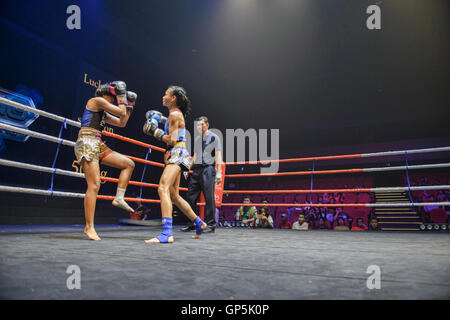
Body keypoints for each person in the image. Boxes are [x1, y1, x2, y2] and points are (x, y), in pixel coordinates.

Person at [143, 86, 207, 243]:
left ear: (173, 99)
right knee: (174, 195)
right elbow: (170, 125)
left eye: (166, 94)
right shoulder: (175, 115)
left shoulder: (174, 114)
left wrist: (155, 132)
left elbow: (171, 140)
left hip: (177, 153)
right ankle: (199, 223)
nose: (163, 96)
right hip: (179, 153)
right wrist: (158, 120)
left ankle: (166, 233)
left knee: (162, 188)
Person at [74, 81, 136, 241]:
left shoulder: (103, 110)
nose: (111, 102)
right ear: (104, 95)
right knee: (94, 184)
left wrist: (129, 106)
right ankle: (89, 227)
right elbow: (120, 112)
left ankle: (119, 197)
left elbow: (122, 122)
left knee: (128, 164)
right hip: (87, 141)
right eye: (111, 99)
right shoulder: (96, 101)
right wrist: (123, 98)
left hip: (98, 143)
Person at [180, 116, 223, 233]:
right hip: (196, 171)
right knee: (190, 196)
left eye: (201, 125)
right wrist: (186, 168)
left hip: (208, 169)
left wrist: (219, 172)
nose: (199, 127)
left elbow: (218, 155)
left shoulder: (215, 137)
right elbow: (194, 157)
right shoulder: (198, 139)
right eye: (198, 125)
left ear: (207, 125)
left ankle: (211, 225)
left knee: (209, 197)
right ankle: (192, 223)